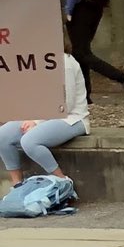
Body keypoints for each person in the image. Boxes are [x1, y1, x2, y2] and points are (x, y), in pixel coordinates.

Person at [0, 52, 90, 187]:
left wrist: (37, 121)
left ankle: (63, 182)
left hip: (72, 118)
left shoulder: (65, 62)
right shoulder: (35, 60)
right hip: (43, 116)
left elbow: (67, 104)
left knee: (29, 141)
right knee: (3, 135)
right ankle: (17, 185)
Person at [64, 0, 124, 101]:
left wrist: (68, 8)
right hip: (96, 5)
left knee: (81, 53)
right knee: (81, 52)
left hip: (81, 6)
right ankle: (84, 95)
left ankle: (122, 78)